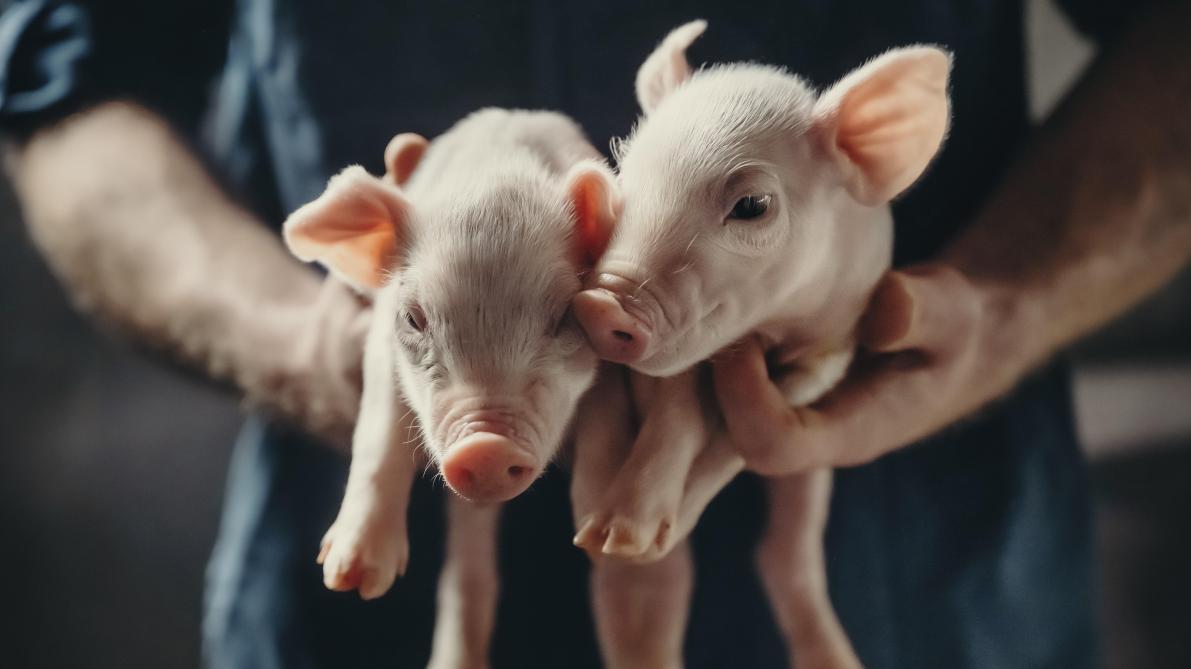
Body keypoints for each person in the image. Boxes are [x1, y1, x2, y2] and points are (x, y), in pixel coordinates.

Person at [2, 1, 1188, 667]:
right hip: (342, 627)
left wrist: (1005, 304)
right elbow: (64, 78)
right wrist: (312, 346)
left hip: (932, 591)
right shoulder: (415, 258)